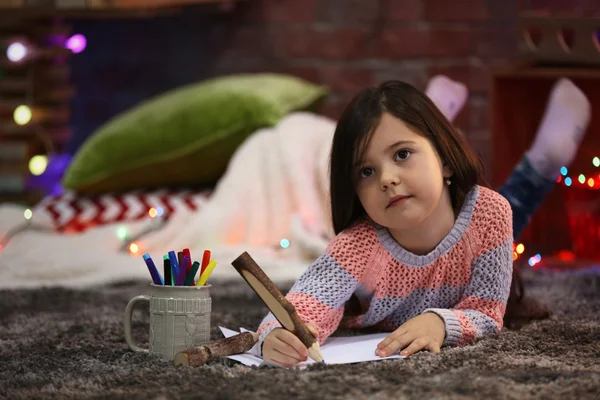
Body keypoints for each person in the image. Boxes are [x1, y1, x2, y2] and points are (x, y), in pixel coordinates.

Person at [257, 78, 591, 368]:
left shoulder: (488, 216)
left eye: (402, 154)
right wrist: (278, 334)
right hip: (440, 194)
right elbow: (306, 304)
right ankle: (431, 113)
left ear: (446, 162)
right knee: (419, 154)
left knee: (511, 203)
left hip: (468, 216)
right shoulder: (357, 244)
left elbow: (487, 310)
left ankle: (545, 161)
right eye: (366, 171)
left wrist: (441, 323)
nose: (386, 179)